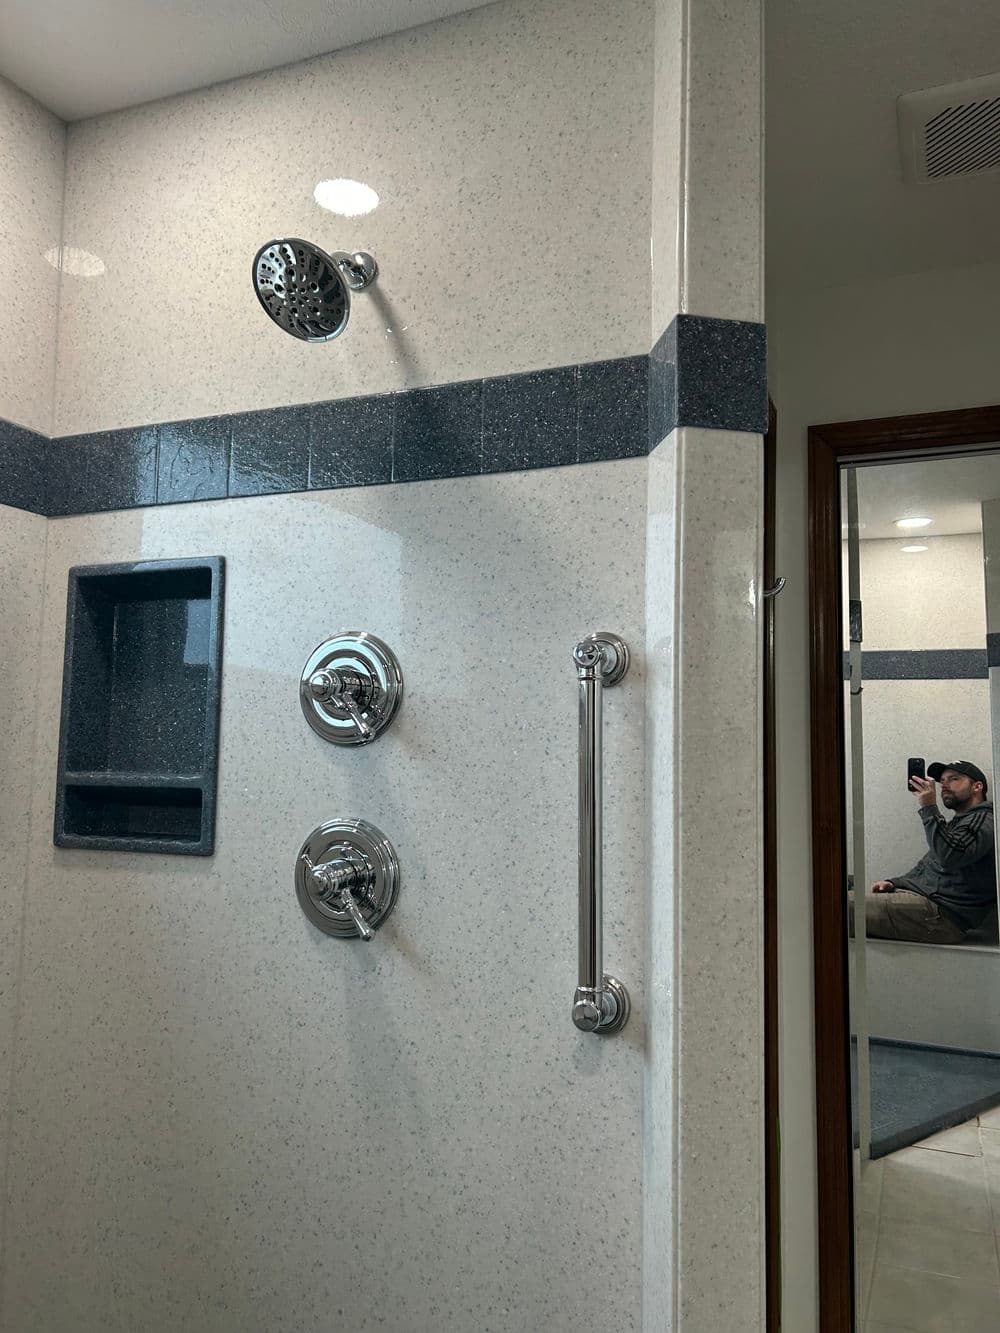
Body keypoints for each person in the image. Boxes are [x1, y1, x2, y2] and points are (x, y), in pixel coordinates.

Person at [852, 759, 997, 944]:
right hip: (929, 908)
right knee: (839, 898)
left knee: (833, 905)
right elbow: (928, 866)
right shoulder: (961, 822)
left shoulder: (985, 819)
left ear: (977, 786)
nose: (944, 785)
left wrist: (929, 807)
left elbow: (949, 856)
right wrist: (895, 882)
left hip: (942, 917)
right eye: (942, 780)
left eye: (953, 779)